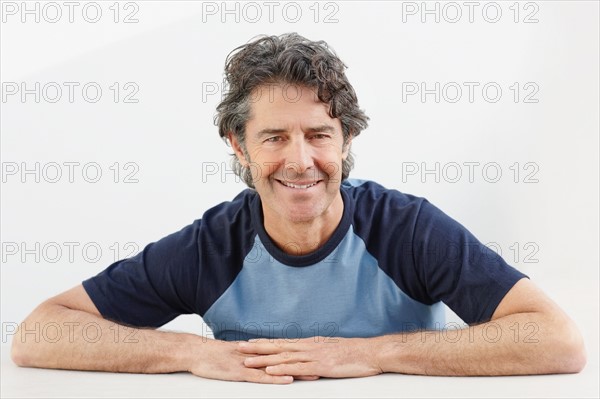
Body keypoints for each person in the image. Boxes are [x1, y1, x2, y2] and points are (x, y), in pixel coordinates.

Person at [11, 33, 586, 384]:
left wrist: (375, 354)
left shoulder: (407, 229)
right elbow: (38, 333)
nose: (301, 159)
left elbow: (557, 339)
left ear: (346, 141)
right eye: (273, 137)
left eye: (318, 134)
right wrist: (190, 352)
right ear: (238, 146)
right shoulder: (213, 244)